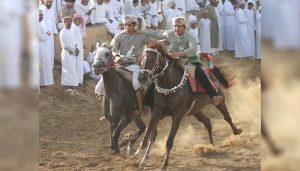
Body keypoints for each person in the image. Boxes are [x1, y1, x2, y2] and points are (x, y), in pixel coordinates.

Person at [142, 17, 223, 106]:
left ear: (185, 27)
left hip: (190, 62)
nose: (176, 28)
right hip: (173, 61)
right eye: (174, 26)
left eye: (179, 26)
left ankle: (214, 96)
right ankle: (147, 101)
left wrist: (178, 54)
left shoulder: (190, 37)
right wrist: (141, 31)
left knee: (201, 74)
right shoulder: (170, 34)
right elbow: (157, 34)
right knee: (158, 73)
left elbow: (192, 49)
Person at [109, 15, 151, 116]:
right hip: (119, 65)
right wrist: (117, 57)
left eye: (128, 25)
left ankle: (141, 108)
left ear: (134, 25)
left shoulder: (142, 36)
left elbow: (152, 44)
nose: (126, 27)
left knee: (135, 83)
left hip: (134, 65)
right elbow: (112, 50)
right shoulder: (119, 36)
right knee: (100, 87)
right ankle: (108, 110)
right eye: (124, 25)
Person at [59, 16, 80, 94]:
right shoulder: (62, 32)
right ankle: (69, 87)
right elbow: (66, 45)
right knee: (68, 70)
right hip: (67, 53)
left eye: (70, 22)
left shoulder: (71, 30)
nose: (69, 23)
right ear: (64, 23)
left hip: (73, 53)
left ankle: (72, 87)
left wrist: (77, 48)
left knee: (72, 70)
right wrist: (75, 50)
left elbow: (74, 40)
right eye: (67, 22)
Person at [39, 10, 54, 86]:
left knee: (46, 64)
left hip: (44, 47)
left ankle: (45, 82)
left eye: (41, 15)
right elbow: (39, 37)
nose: (41, 16)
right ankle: (42, 83)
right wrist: (48, 35)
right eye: (39, 15)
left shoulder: (40, 23)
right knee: (42, 65)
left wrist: (47, 34)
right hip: (39, 48)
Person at [71, 14, 84, 85]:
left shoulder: (77, 27)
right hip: (76, 50)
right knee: (76, 65)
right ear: (74, 19)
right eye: (78, 19)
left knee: (79, 65)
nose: (79, 21)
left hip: (80, 49)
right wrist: (76, 48)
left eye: (80, 19)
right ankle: (76, 81)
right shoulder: (73, 27)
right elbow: (72, 39)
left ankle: (80, 81)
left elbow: (79, 38)